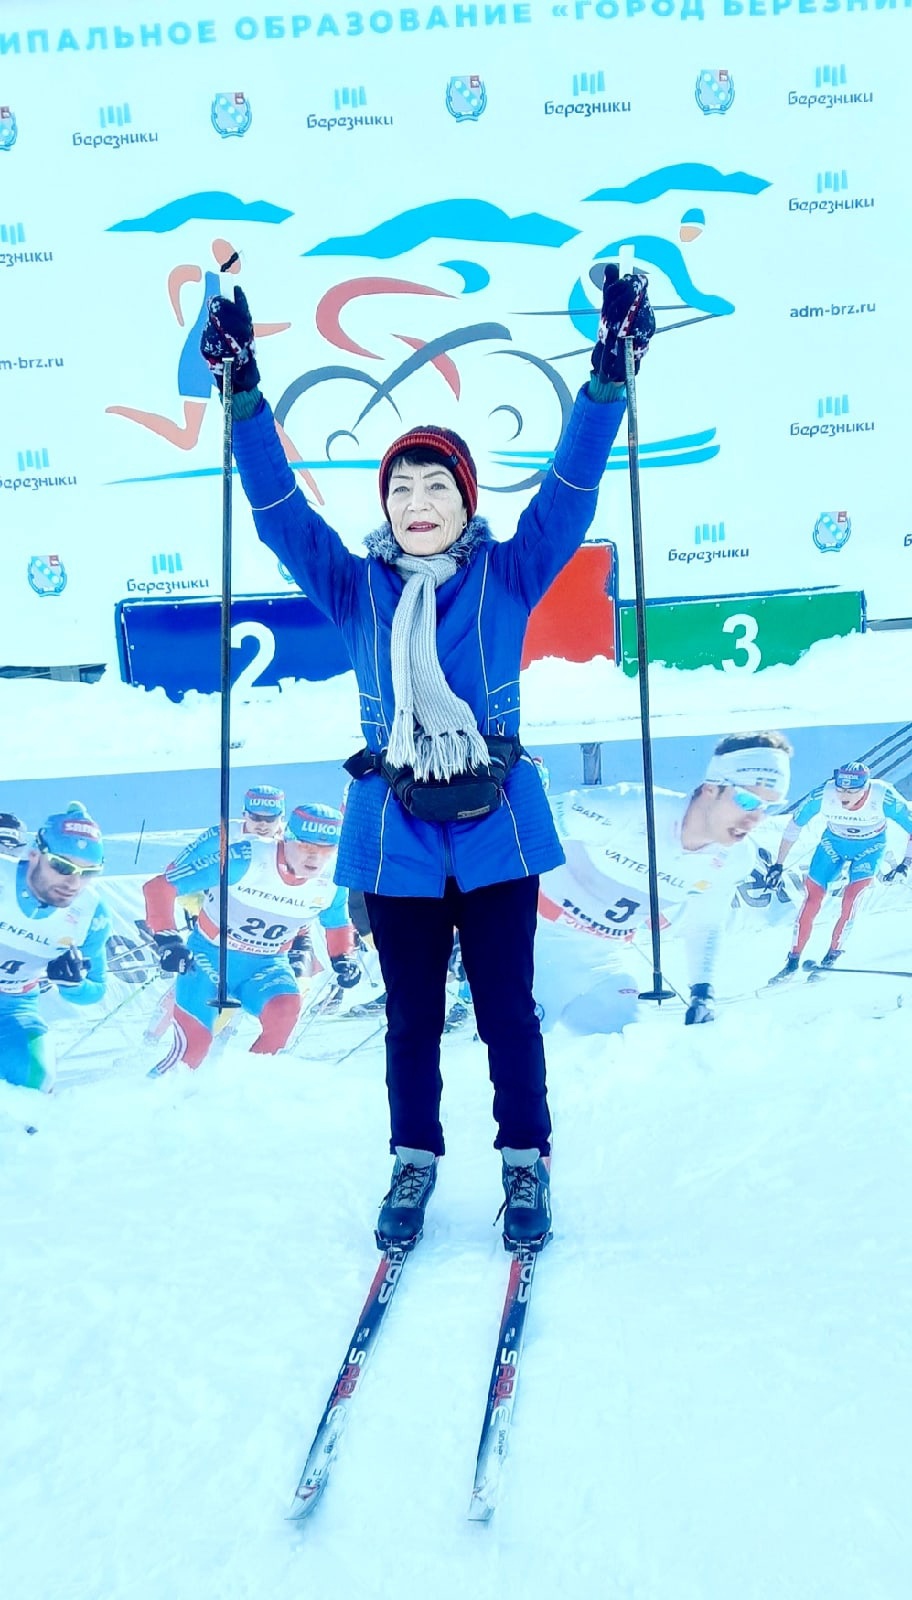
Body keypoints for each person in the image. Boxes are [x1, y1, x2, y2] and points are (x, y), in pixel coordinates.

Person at [199, 263, 656, 1253]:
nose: (417, 499)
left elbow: (572, 490)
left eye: (435, 485)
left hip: (496, 830)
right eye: (401, 486)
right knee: (410, 1021)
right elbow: (279, 513)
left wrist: (608, 378)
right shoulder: (354, 588)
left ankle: (525, 1163)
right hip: (397, 835)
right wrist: (243, 398)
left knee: (506, 1016)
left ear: (464, 501)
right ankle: (413, 1161)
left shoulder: (508, 573)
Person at [535, 732, 792, 1034]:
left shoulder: (735, 859)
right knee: (514, 1050)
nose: (755, 819)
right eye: (747, 800)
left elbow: (704, 924)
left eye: (768, 807)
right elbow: (520, 829)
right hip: (531, 939)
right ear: (711, 787)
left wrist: (702, 994)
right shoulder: (629, 808)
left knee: (627, 1048)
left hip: (601, 960)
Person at [142, 802, 360, 1071]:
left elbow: (337, 921)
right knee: (193, 1049)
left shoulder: (333, 880)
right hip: (210, 957)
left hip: (267, 965)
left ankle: (244, 1085)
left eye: (327, 849)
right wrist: (168, 938)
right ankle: (151, 1091)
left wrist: (344, 958)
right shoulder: (246, 858)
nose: (315, 857)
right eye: (306, 846)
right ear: (286, 837)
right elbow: (159, 886)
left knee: (285, 1011)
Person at [0, 802, 111, 1091]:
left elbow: (96, 990)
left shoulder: (91, 914)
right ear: (34, 855)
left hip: (12, 1009)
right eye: (62, 866)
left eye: (89, 872)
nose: (73, 882)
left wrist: (73, 984)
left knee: (35, 1078)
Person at [767, 762, 912, 981]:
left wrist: (905, 864)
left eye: (851, 791)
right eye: (840, 789)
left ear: (865, 788)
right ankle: (792, 961)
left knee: (851, 899)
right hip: (833, 845)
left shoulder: (883, 796)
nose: (843, 795)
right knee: (812, 899)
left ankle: (831, 957)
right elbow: (794, 825)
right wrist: (778, 865)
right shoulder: (824, 794)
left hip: (870, 848)